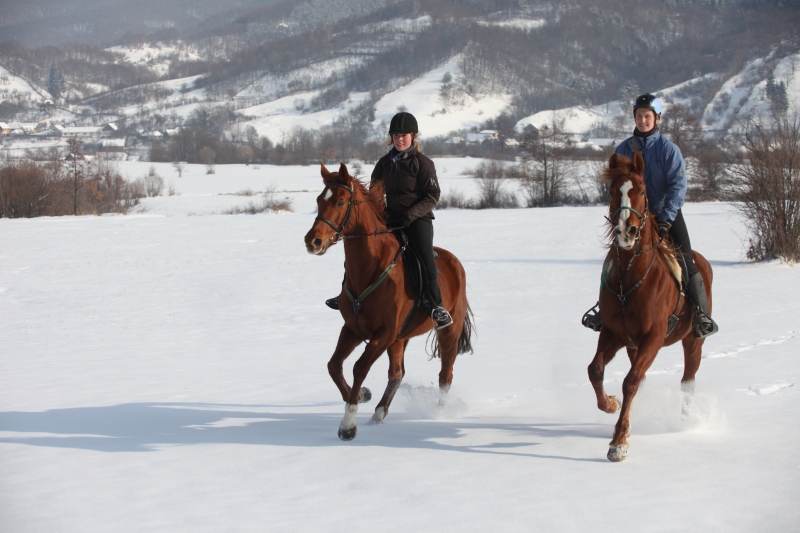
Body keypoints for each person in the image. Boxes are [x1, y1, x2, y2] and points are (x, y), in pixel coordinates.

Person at [583, 93, 718, 338]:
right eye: (638, 116)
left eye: (647, 116)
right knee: (612, 262)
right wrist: (621, 211)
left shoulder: (669, 150)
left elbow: (678, 187)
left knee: (686, 260)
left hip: (666, 214)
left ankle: (699, 314)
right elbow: (616, 186)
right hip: (633, 217)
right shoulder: (624, 148)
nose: (642, 120)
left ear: (657, 118)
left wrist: (666, 217)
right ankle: (604, 311)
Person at [326, 112, 453, 330]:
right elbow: (373, 195)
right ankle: (345, 295)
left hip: (418, 220)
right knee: (361, 250)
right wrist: (379, 215)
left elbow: (432, 195)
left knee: (423, 255)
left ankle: (435, 305)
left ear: (413, 136)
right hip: (390, 220)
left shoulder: (423, 163)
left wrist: (409, 215)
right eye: (395, 136)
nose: (399, 139)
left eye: (403, 135)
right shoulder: (384, 163)